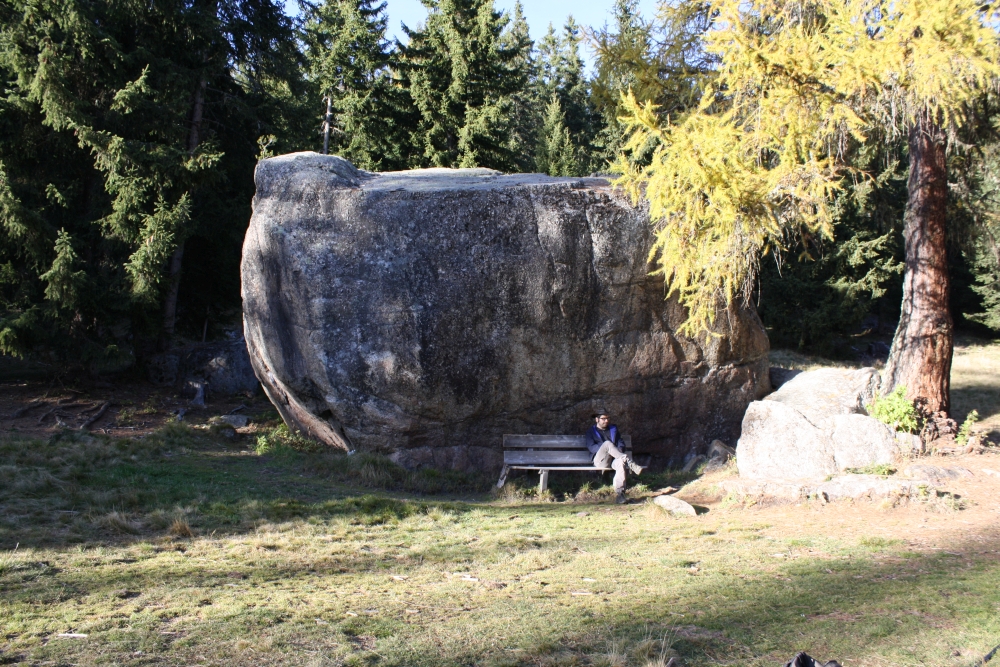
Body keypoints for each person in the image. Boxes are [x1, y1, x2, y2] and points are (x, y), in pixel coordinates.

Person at [585, 411, 642, 504]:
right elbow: (591, 447)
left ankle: (620, 494)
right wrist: (607, 449)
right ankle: (629, 462)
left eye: (608, 418)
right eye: (603, 419)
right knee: (607, 444)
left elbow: (621, 443)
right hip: (600, 460)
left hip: (615, 459)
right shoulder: (590, 432)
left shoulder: (613, 429)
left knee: (620, 463)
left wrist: (618, 449)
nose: (606, 421)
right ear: (597, 419)